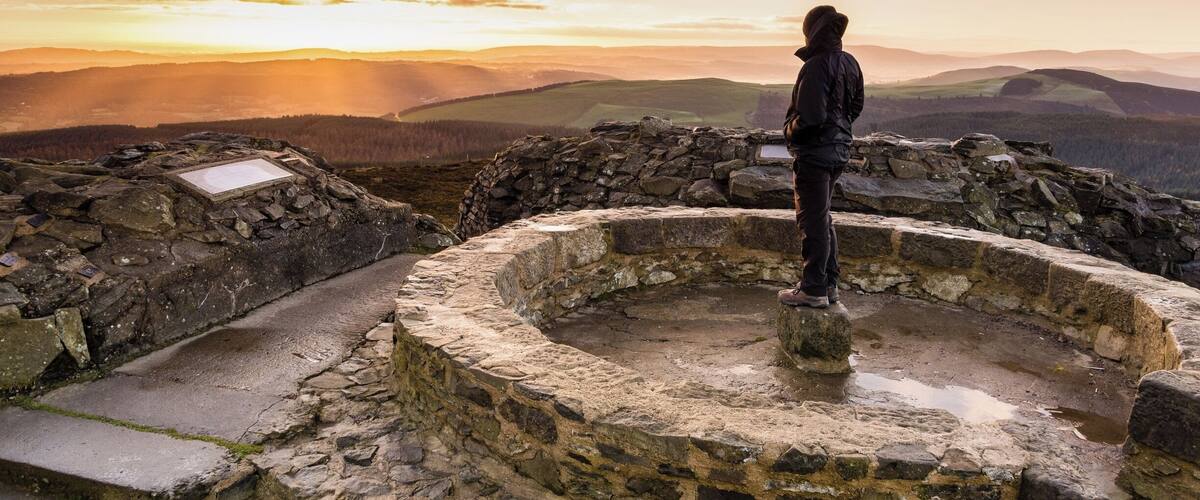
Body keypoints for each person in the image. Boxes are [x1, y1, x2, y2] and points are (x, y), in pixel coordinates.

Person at [777, 5, 864, 309]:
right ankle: (829, 284)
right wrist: (838, 131)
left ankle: (813, 287)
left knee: (811, 220)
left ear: (811, 31)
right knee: (823, 217)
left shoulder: (814, 66)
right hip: (839, 150)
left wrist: (789, 130)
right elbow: (855, 108)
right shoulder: (850, 63)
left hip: (815, 154)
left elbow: (811, 117)